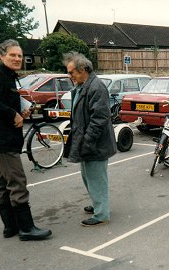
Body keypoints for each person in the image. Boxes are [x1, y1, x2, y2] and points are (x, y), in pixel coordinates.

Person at [0, 39, 52, 241]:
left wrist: (21, 111)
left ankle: (10, 227)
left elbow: (1, 101)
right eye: (13, 55)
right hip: (1, 139)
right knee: (17, 181)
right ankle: (26, 228)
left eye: (19, 55)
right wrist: (13, 115)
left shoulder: (9, 76)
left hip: (4, 137)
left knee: (1, 182)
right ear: (2, 56)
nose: (18, 58)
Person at [62, 51, 117, 227]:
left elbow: (100, 118)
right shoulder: (82, 86)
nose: (69, 76)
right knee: (88, 177)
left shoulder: (96, 87)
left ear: (84, 69)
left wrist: (87, 141)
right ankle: (97, 204)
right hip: (86, 141)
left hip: (95, 143)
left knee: (96, 178)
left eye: (71, 72)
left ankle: (101, 214)